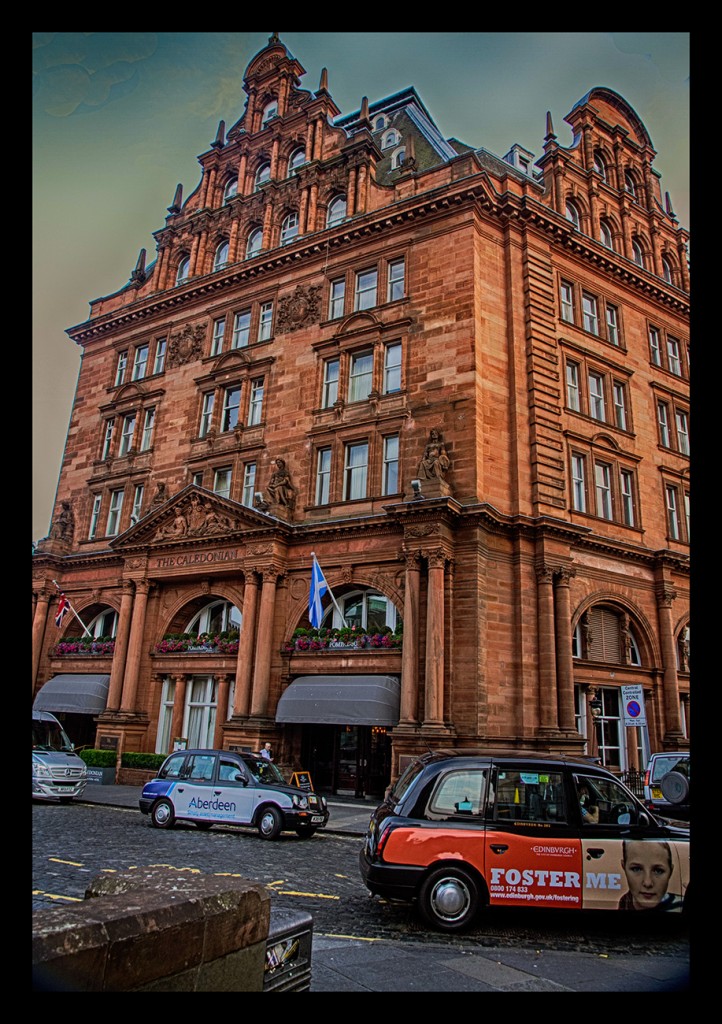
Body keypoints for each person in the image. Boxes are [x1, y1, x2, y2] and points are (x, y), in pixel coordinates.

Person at [618, 840, 683, 911]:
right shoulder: (624, 903)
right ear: (624, 867)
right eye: (636, 869)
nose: (647, 883)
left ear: (670, 871)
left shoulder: (680, 905)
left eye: (658, 871)